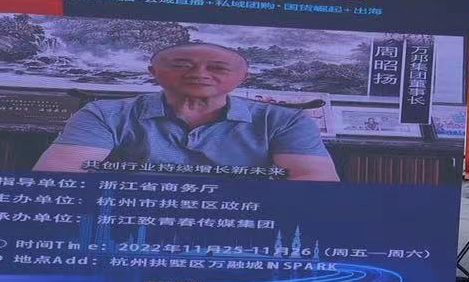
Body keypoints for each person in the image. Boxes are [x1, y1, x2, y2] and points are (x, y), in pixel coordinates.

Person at [34, 42, 340, 180]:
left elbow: (314, 183)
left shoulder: (285, 121)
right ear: (153, 72)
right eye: (182, 65)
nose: (199, 74)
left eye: (217, 68)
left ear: (242, 78)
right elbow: (58, 176)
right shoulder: (104, 114)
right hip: (126, 217)